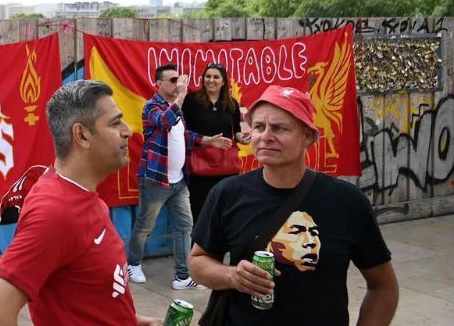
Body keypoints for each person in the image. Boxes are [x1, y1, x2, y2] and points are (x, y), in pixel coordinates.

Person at [189, 85, 399, 325]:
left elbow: (383, 286)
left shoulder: (348, 201)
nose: (266, 136)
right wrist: (232, 276)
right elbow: (197, 262)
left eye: (279, 128)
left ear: (307, 136)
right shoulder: (227, 194)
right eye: (259, 127)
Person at [0, 80, 161, 326]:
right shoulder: (55, 212)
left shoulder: (84, 195)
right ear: (82, 135)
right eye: (115, 122)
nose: (127, 130)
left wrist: (132, 320)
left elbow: (90, 296)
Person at [127, 63, 231, 290]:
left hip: (178, 180)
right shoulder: (151, 106)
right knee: (146, 224)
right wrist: (182, 96)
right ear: (159, 84)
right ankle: (133, 263)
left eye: (179, 80)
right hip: (156, 179)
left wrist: (208, 140)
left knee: (185, 226)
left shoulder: (176, 107)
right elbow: (165, 121)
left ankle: (182, 276)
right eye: (173, 80)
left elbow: (182, 134)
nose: (178, 84)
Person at [181, 63, 250, 220]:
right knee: (199, 212)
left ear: (224, 81)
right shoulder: (191, 101)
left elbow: (236, 131)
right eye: (208, 76)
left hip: (226, 168)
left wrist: (242, 138)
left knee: (227, 210)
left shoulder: (231, 103)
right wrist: (206, 140)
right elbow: (180, 132)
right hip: (200, 167)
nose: (211, 80)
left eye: (216, 77)